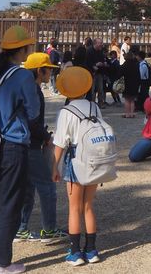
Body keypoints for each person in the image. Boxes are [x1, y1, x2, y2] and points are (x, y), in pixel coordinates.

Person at [0, 26, 40, 273]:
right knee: (9, 204)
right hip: (13, 145)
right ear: (22, 49)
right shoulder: (23, 76)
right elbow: (33, 113)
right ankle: (1, 264)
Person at [52, 67, 104, 265]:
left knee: (74, 208)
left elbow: (60, 143)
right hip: (94, 159)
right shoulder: (94, 107)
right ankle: (91, 251)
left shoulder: (66, 111)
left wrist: (54, 167)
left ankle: (75, 252)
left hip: (75, 160)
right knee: (88, 206)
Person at [14, 53, 67, 244]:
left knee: (27, 188)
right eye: (48, 69)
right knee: (46, 186)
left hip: (22, 144)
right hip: (32, 145)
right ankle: (50, 229)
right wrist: (46, 137)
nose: (50, 73)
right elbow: (32, 122)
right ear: (39, 70)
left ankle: (20, 228)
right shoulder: (33, 91)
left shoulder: (24, 88)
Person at [86, 38, 106, 108]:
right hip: (92, 73)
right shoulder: (89, 51)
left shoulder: (101, 51)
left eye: (101, 43)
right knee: (92, 89)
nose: (101, 44)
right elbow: (87, 62)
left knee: (101, 89)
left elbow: (103, 59)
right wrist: (94, 65)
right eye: (100, 43)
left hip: (99, 72)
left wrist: (103, 63)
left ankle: (101, 103)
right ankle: (92, 104)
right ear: (95, 43)